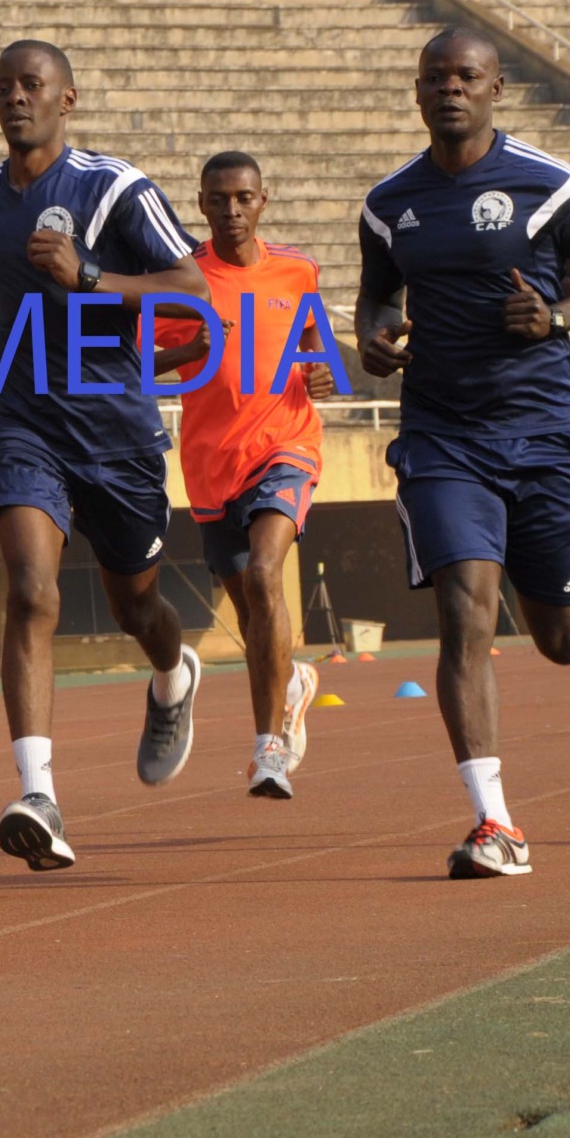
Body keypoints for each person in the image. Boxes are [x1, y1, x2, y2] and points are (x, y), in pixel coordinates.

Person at [355, 29, 570, 880]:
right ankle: (495, 822)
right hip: (443, 436)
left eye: (467, 76)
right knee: (464, 612)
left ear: (496, 88)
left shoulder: (552, 186)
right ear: (417, 91)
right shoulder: (388, 203)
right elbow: (377, 293)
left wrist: (556, 317)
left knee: (556, 638)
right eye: (435, 77)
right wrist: (373, 335)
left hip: (545, 436)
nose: (450, 89)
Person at [0, 40, 209, 871]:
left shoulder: (113, 189)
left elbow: (193, 285)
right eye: (5, 88)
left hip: (116, 433)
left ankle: (173, 676)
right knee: (30, 591)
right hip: (24, 427)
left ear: (68, 99)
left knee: (139, 611)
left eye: (33, 85)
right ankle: (38, 793)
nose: (17, 98)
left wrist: (92, 275)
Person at [151, 152, 337, 801]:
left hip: (285, 447)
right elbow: (139, 367)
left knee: (264, 574)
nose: (232, 210)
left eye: (244, 197)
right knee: (251, 603)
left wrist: (321, 374)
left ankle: (268, 750)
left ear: (264, 200)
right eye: (218, 199)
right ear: (201, 205)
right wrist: (192, 349)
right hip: (211, 467)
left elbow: (322, 355)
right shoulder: (181, 281)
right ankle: (293, 682)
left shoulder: (298, 271)